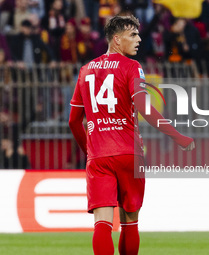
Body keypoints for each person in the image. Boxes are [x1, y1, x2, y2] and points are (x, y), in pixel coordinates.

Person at [69, 15, 195, 255]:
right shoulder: (132, 67)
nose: (139, 39)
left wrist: (89, 151)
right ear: (116, 40)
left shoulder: (85, 71)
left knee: (102, 225)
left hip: (99, 158)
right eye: (133, 35)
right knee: (130, 222)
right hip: (129, 154)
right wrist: (178, 137)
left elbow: (74, 121)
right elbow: (145, 108)